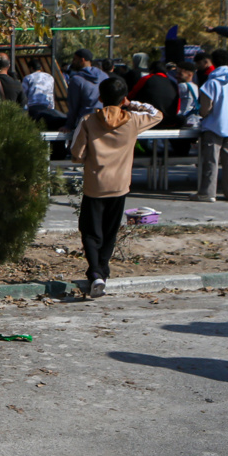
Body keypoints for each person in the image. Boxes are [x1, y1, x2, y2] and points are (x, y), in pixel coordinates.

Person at [70, 76, 161, 298]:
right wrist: (134, 104)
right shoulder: (133, 120)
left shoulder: (88, 120)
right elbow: (157, 114)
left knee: (91, 231)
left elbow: (77, 155)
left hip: (95, 184)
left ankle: (95, 273)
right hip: (120, 185)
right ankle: (103, 270)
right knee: (110, 231)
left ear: (100, 97)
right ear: (124, 99)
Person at [193, 48, 228, 203]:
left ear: (213, 63)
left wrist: (203, 115)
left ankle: (208, 193)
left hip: (213, 127)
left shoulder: (211, 82)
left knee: (211, 162)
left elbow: (205, 108)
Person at [62, 48, 107, 134]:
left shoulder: (77, 80)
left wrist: (68, 125)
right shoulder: (104, 76)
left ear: (82, 60)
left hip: (84, 124)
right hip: (103, 121)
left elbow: (73, 106)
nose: (73, 62)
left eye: (75, 59)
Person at [127, 60, 179, 127]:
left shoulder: (146, 78)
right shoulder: (173, 83)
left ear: (151, 70)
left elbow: (132, 95)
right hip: (169, 120)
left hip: (150, 119)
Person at [22, 58, 60, 123]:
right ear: (41, 67)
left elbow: (24, 93)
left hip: (33, 107)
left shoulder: (28, 78)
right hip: (47, 107)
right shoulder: (50, 77)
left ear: (31, 68)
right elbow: (51, 93)